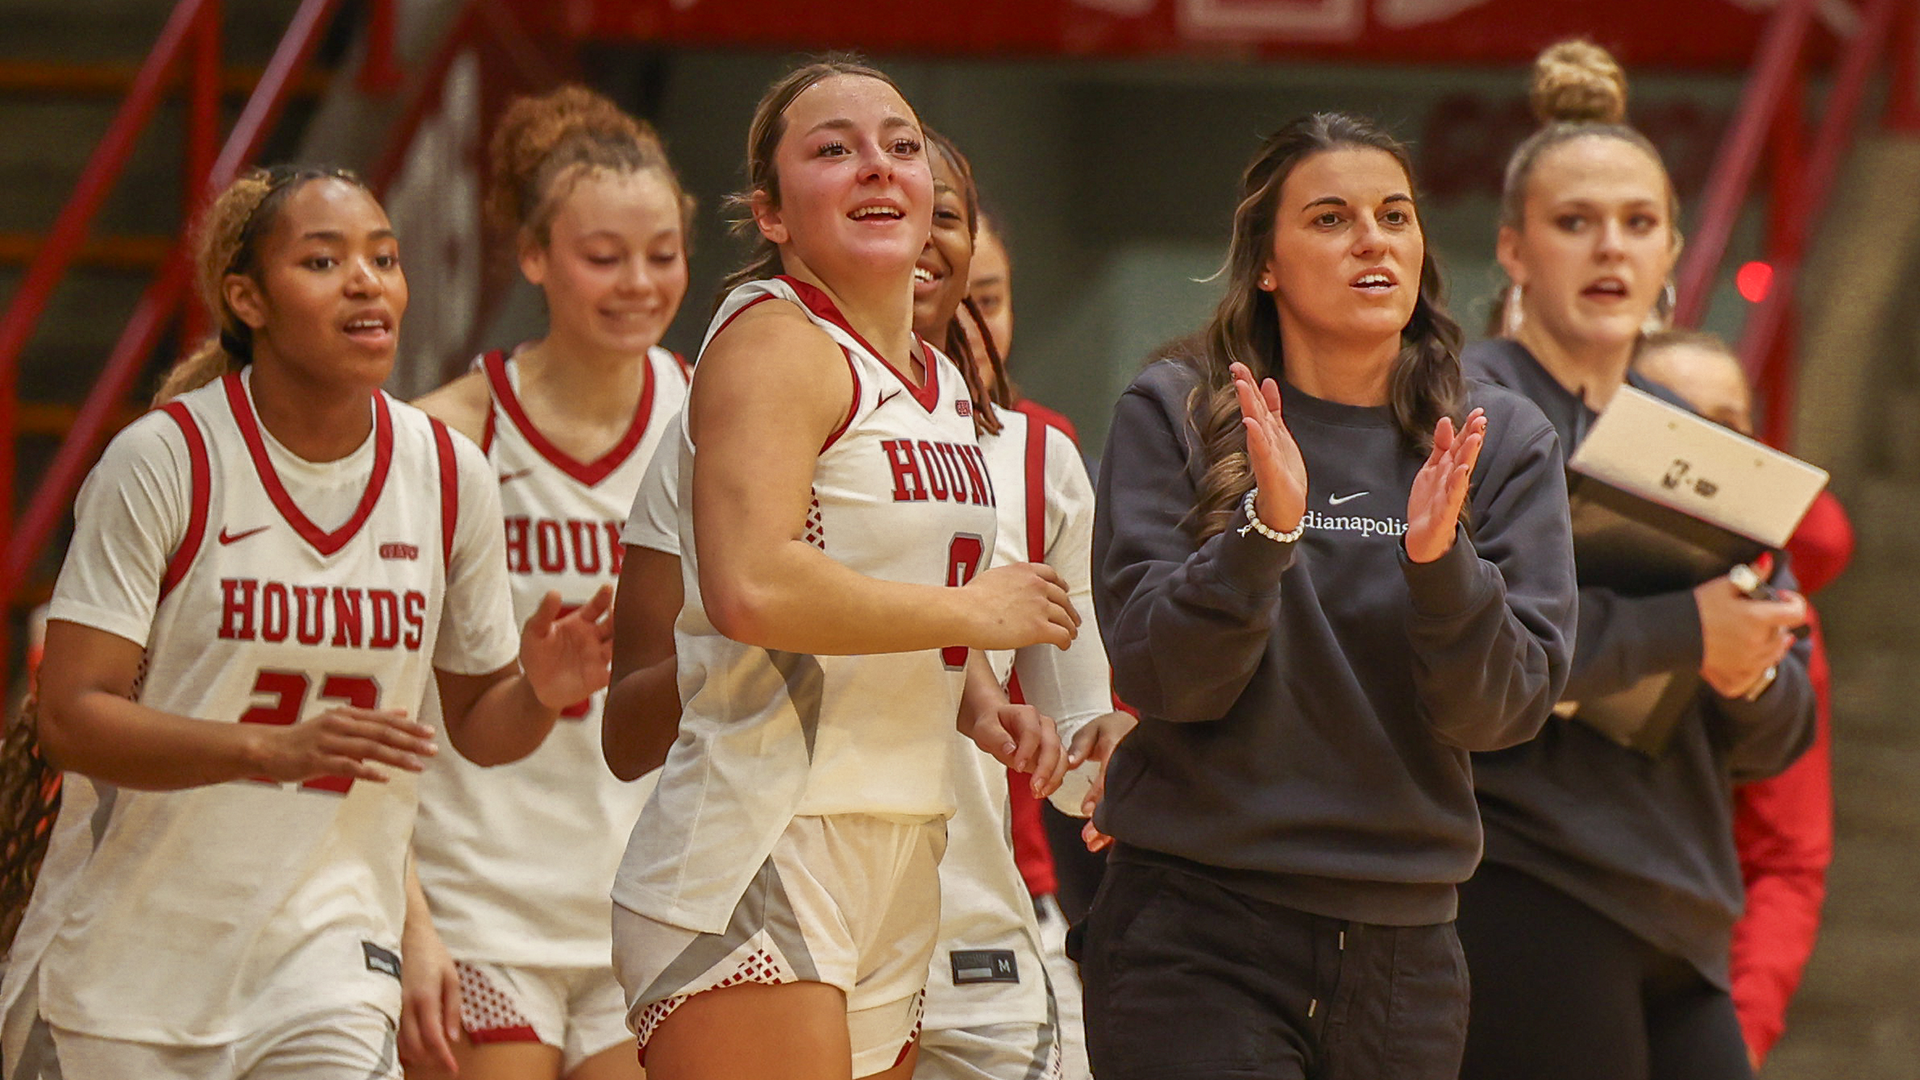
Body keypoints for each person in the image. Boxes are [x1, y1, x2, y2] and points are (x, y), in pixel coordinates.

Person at [0, 165, 614, 1080]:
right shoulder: (165, 461)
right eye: (324, 261)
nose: (367, 281)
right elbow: (72, 716)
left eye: (385, 257)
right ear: (246, 299)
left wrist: (541, 691)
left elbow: (481, 726)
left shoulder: (447, 475)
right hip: (131, 967)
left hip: (328, 957)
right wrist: (266, 749)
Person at [604, 58, 1080, 1080]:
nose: (877, 164)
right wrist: (972, 607)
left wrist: (980, 701)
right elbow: (752, 587)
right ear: (770, 215)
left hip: (899, 845)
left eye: (900, 145)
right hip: (759, 841)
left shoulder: (938, 378)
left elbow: (891, 594)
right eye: (834, 149)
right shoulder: (774, 341)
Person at [1086, 111, 1577, 1080]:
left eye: (1395, 215)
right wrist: (1265, 533)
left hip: (1406, 949)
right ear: (1264, 262)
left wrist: (1441, 563)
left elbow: (1505, 708)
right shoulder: (1176, 409)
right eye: (1330, 218)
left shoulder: (1498, 439)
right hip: (1196, 930)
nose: (1372, 240)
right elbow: (1161, 675)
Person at [1457, 41, 1817, 1080]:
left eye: (1638, 224)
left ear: (1670, 252)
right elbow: (1466, 653)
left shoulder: (1694, 437)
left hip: (1687, 905)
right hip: (1525, 883)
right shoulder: (1462, 409)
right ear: (1515, 250)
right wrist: (1685, 631)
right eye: (1575, 224)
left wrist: (1746, 665)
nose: (1609, 248)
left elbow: (1782, 726)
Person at [400, 84, 692, 1080]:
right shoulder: (446, 437)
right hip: (481, 899)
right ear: (534, 258)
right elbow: (382, 696)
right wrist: (408, 920)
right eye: (603, 258)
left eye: (663, 256)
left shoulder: (717, 419)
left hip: (647, 902)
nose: (638, 285)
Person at [1633, 329, 1852, 1070]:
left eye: (1728, 426)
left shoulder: (1783, 620)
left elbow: (1787, 858)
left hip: (1682, 985)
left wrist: (1746, 1031)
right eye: (1673, 416)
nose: (1704, 450)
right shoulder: (1539, 569)